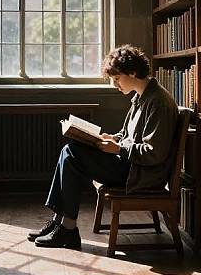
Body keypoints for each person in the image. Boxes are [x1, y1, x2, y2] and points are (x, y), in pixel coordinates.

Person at [28, 43, 178, 249]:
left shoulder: (157, 102)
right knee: (69, 150)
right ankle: (60, 223)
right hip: (130, 165)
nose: (115, 85)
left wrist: (117, 149)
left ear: (132, 72)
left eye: (117, 79)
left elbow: (154, 153)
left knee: (72, 152)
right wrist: (113, 138)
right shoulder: (142, 97)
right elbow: (128, 135)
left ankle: (67, 228)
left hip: (140, 174)